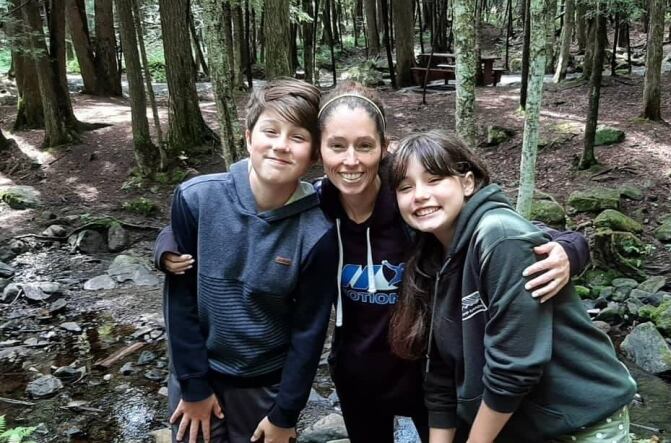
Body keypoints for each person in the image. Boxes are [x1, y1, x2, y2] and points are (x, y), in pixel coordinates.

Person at [157, 81, 591, 443]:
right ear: (320, 154)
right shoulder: (319, 209)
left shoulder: (412, 207)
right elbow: (237, 218)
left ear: (385, 148)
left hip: (426, 383)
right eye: (337, 146)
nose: (350, 161)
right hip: (356, 379)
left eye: (364, 146)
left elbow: (505, 229)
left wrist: (571, 249)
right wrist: (168, 241)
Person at [388, 131, 637, 443]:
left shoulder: (499, 237)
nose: (420, 195)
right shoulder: (432, 258)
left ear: (467, 183)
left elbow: (515, 367)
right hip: (521, 425)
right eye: (405, 187)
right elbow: (440, 374)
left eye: (434, 179)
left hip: (579, 424)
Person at [163, 78, 338, 443]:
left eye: (298, 137)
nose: (280, 146)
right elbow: (180, 301)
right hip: (198, 374)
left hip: (265, 385)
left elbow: (309, 333)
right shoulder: (196, 199)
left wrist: (285, 414)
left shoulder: (319, 231)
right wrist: (193, 387)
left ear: (314, 155)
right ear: (248, 137)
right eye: (270, 131)